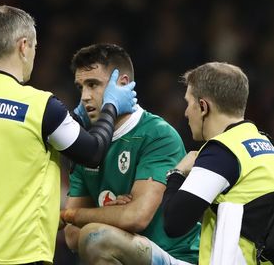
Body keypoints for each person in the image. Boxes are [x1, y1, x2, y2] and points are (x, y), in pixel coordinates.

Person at [0, 5, 138, 265]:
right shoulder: (39, 106)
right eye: (34, 47)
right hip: (12, 254)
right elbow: (93, 153)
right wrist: (111, 105)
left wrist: (73, 118)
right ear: (23, 46)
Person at [60, 43, 200, 265]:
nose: (85, 97)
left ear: (122, 84)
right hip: (128, 254)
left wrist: (73, 216)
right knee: (93, 237)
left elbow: (136, 217)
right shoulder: (86, 143)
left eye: (93, 84)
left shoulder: (157, 134)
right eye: (80, 88)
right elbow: (71, 236)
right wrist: (111, 213)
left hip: (176, 257)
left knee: (96, 237)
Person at [162, 62, 274, 264]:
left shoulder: (221, 152)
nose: (186, 113)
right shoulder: (272, 148)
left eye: (189, 103)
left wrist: (177, 173)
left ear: (203, 106)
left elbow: (174, 223)